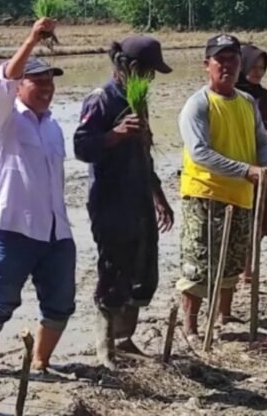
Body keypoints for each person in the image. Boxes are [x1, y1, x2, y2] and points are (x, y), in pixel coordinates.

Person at [0, 18, 76, 374]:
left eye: (50, 82)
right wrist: (32, 38)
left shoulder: (54, 126)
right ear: (19, 87)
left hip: (56, 232)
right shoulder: (4, 120)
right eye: (38, 81)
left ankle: (41, 363)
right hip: (11, 229)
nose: (47, 88)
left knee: (61, 304)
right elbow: (4, 77)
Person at [74, 36, 174, 369]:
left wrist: (159, 197)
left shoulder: (138, 101)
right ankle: (105, 348)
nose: (151, 79)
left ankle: (125, 338)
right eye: (147, 71)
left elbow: (145, 154)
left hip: (139, 198)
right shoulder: (101, 100)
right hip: (111, 202)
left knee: (143, 270)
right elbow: (82, 147)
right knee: (114, 269)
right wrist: (114, 134)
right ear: (129, 67)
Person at [177, 34, 267, 340]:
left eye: (232, 59)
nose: (227, 66)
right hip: (205, 193)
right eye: (220, 60)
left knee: (232, 261)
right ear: (207, 65)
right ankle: (191, 327)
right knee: (200, 263)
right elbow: (200, 153)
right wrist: (246, 170)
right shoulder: (198, 104)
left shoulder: (247, 102)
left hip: (241, 195)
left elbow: (261, 143)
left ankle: (224, 316)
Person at [235, 44, 267, 281]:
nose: (257, 72)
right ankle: (238, 269)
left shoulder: (264, 96)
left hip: (262, 168)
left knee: (260, 218)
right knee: (240, 220)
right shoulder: (228, 95)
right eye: (253, 66)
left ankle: (247, 269)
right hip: (236, 166)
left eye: (262, 68)